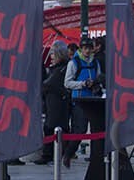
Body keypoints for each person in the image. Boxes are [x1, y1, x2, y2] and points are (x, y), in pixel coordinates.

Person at [62, 37, 102, 167]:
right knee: (80, 130)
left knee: (96, 129)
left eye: (89, 48)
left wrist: (96, 84)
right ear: (81, 49)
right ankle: (68, 154)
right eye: (85, 48)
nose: (87, 51)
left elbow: (99, 77)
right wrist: (82, 84)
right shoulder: (74, 63)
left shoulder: (95, 63)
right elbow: (67, 83)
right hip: (79, 100)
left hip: (93, 99)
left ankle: (96, 157)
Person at [40, 39, 72, 164]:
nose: (51, 56)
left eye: (53, 53)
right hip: (52, 102)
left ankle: (52, 153)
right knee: (50, 127)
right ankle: (51, 153)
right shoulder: (56, 69)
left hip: (58, 103)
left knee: (53, 127)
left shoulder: (62, 69)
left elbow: (49, 84)